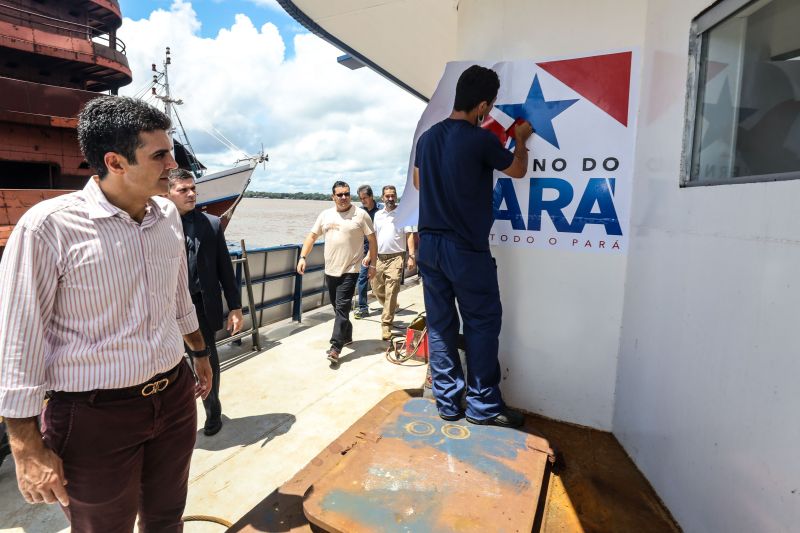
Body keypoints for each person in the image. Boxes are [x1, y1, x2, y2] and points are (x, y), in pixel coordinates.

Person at [0, 96, 213, 532]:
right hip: (94, 419)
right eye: (159, 155)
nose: (173, 164)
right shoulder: (48, 227)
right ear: (115, 162)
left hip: (173, 398)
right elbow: (18, 339)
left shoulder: (167, 215)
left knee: (166, 517)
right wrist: (25, 447)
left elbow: (178, 297)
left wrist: (201, 352)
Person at [414, 65, 533, 428]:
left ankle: (448, 403)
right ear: (482, 105)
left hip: (429, 246)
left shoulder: (429, 138)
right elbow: (516, 170)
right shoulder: (481, 140)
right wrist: (522, 139)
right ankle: (482, 406)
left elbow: (419, 182)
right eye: (491, 105)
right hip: (464, 248)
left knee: (440, 325)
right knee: (481, 323)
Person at [167, 168, 244, 437]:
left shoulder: (211, 224)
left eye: (193, 189)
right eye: (183, 190)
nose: (191, 194)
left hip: (200, 306)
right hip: (165, 308)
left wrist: (235, 307)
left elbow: (225, 267)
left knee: (206, 360)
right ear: (168, 193)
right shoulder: (156, 224)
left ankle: (213, 411)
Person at [297, 181, 377, 366]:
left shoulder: (361, 215)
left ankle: (335, 347)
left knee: (342, 307)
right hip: (330, 269)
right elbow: (312, 236)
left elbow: (372, 240)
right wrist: (302, 257)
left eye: (346, 194)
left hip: (351, 270)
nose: (343, 197)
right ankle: (346, 333)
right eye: (339, 194)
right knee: (338, 307)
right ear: (333, 197)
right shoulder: (325, 215)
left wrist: (372, 265)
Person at [371, 185, 416, 340]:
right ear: (382, 197)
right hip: (379, 257)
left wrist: (411, 256)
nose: (390, 198)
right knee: (376, 288)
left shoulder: (403, 214)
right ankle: (391, 305)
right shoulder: (377, 215)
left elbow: (409, 235)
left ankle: (386, 325)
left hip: (397, 257)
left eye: (393, 195)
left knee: (392, 290)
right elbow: (374, 237)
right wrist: (369, 255)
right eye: (387, 196)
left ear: (396, 196)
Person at [353, 185, 382, 319]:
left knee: (379, 281)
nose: (363, 201)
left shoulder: (381, 211)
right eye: (361, 198)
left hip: (380, 250)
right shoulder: (360, 212)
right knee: (362, 279)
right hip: (363, 251)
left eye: (365, 198)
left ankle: (388, 302)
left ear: (371, 196)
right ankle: (363, 307)